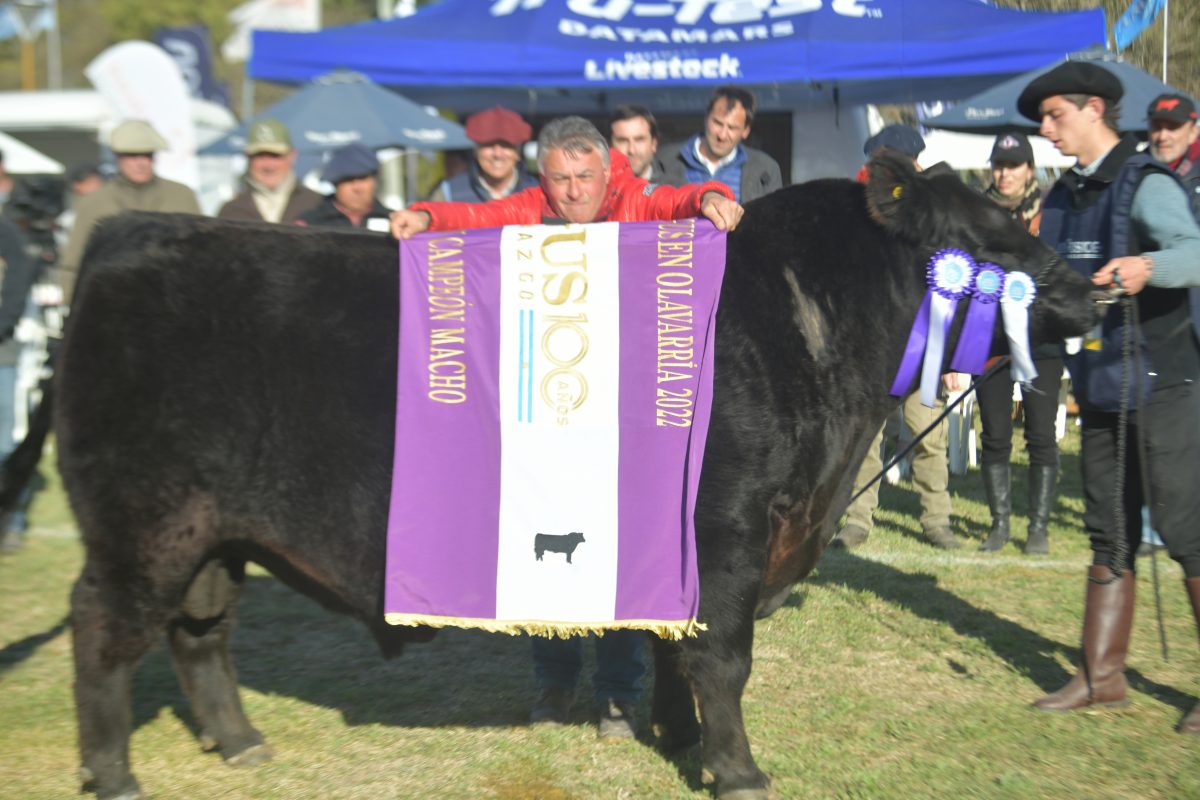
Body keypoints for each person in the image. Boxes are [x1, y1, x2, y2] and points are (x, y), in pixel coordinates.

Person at [390, 116, 742, 739]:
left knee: (619, 553)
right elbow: (475, 219)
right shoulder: (530, 207)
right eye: (560, 178)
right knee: (542, 553)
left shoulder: (637, 200)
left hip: (626, 416)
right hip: (545, 416)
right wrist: (425, 216)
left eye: (584, 177)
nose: (573, 191)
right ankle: (553, 682)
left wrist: (714, 198)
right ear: (543, 177)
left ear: (607, 171)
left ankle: (617, 696)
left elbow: (679, 199)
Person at [1016, 63, 1200, 733]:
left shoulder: (1147, 182)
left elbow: (1196, 252)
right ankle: (1103, 678)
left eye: (1054, 115)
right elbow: (1047, 286)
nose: (1045, 128)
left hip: (1166, 383)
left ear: (1094, 108)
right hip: (1098, 386)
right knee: (1107, 532)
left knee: (1189, 534)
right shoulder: (1061, 198)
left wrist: (1147, 267)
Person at [834, 125, 961, 551]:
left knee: (927, 433)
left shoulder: (939, 208)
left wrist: (955, 353)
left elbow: (953, 281)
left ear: (909, 161)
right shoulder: (863, 203)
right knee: (867, 436)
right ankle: (857, 520)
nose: (875, 171)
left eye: (884, 162)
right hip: (874, 341)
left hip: (926, 338)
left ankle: (936, 520)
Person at [976, 131, 1062, 554]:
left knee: (1041, 434)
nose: (1004, 173)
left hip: (1041, 340)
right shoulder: (975, 213)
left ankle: (1039, 528)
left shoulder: (1050, 213)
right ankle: (999, 525)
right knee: (994, 434)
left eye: (1013, 165)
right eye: (998, 165)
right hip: (989, 338)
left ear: (1029, 169)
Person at [59, 119, 201, 304]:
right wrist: (75, 309)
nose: (141, 163)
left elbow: (201, 258)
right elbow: (72, 266)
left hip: (174, 306)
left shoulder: (182, 197)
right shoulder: (93, 204)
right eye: (132, 155)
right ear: (118, 157)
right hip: (112, 307)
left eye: (147, 155)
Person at [653, 85, 782, 203]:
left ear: (746, 131)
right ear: (706, 118)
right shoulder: (663, 161)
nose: (722, 135)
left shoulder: (766, 170)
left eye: (732, 128)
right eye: (718, 123)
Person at [0, 215, 39, 552]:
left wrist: (2, 325)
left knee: (6, 441)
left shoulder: (7, 233)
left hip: (2, 353)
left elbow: (18, 281)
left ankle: (9, 522)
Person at [217, 118, 321, 224]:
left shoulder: (317, 205)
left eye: (275, 155)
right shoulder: (230, 212)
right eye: (260, 155)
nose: (268, 165)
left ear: (292, 156)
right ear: (248, 157)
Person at [426, 106, 538, 202]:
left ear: (518, 153)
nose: (497, 154)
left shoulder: (539, 192)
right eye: (489, 145)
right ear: (475, 151)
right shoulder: (449, 193)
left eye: (506, 145)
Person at [296, 143, 392, 231]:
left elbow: (405, 250)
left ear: (375, 181)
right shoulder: (310, 224)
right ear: (335, 184)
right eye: (348, 180)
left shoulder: (395, 222)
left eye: (363, 178)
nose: (357, 188)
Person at [609, 105, 658, 181]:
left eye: (639, 140)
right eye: (623, 141)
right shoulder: (597, 190)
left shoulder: (675, 190)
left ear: (653, 144)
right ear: (610, 146)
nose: (632, 150)